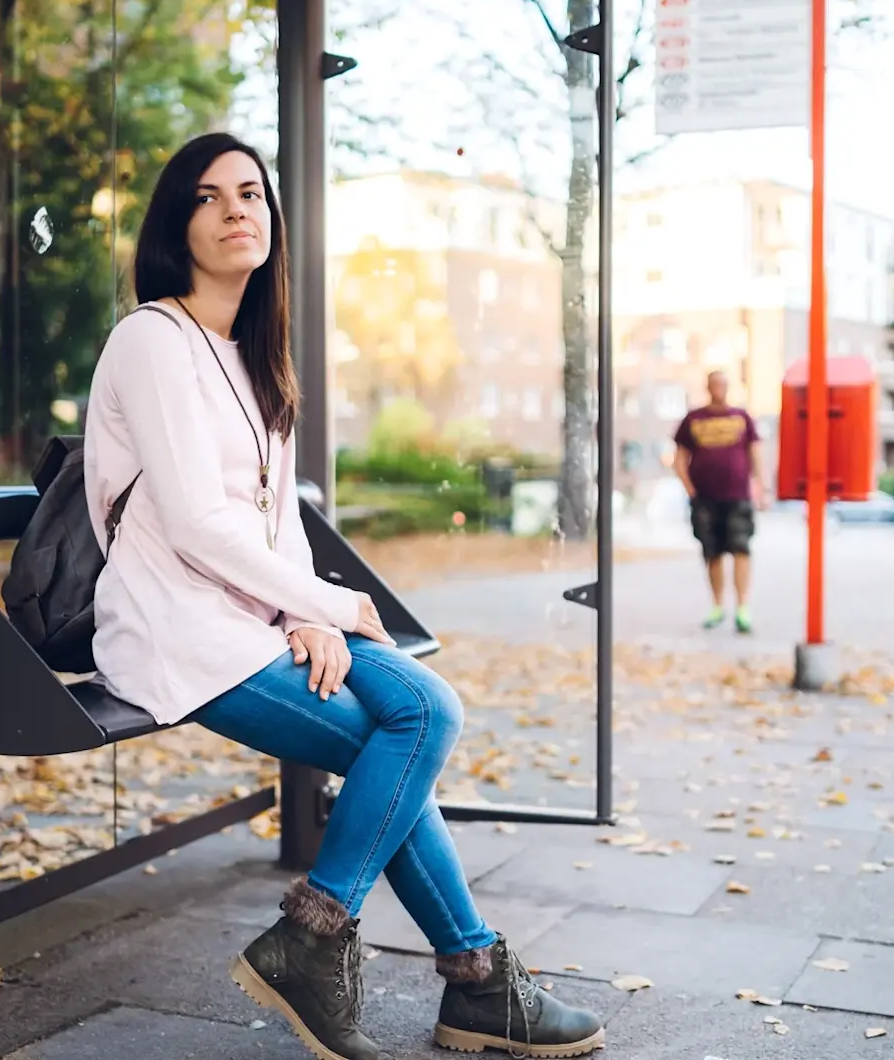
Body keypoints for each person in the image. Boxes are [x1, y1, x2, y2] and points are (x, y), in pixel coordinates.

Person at [82, 133, 605, 1060]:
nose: (236, 208)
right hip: (176, 631)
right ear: (177, 225)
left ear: (272, 218)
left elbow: (272, 523)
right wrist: (322, 604)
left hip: (256, 617)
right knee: (395, 741)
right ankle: (458, 975)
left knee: (420, 709)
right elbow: (200, 523)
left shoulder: (254, 356)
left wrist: (302, 613)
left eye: (250, 192)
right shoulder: (150, 339)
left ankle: (341, 945)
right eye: (208, 197)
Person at [673, 370, 768, 633]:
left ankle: (743, 608)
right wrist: (690, 488)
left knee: (741, 549)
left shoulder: (741, 417)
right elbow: (679, 457)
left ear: (728, 387)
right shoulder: (693, 419)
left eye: (723, 384)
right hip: (704, 498)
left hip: (738, 495)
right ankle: (717, 606)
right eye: (714, 384)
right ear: (707, 387)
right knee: (711, 552)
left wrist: (761, 486)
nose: (718, 389)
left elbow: (755, 453)